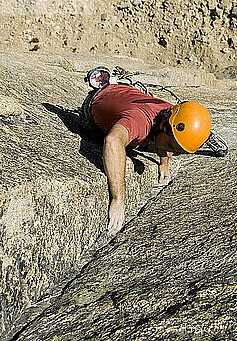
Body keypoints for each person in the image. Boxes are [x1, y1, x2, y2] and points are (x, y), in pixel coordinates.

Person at [88, 83, 212, 234]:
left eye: (175, 152)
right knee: (132, 144)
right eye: (171, 148)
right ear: (165, 128)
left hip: (120, 92)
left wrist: (163, 162)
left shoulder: (170, 112)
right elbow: (112, 141)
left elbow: (166, 136)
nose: (170, 154)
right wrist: (118, 199)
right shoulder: (140, 122)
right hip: (95, 103)